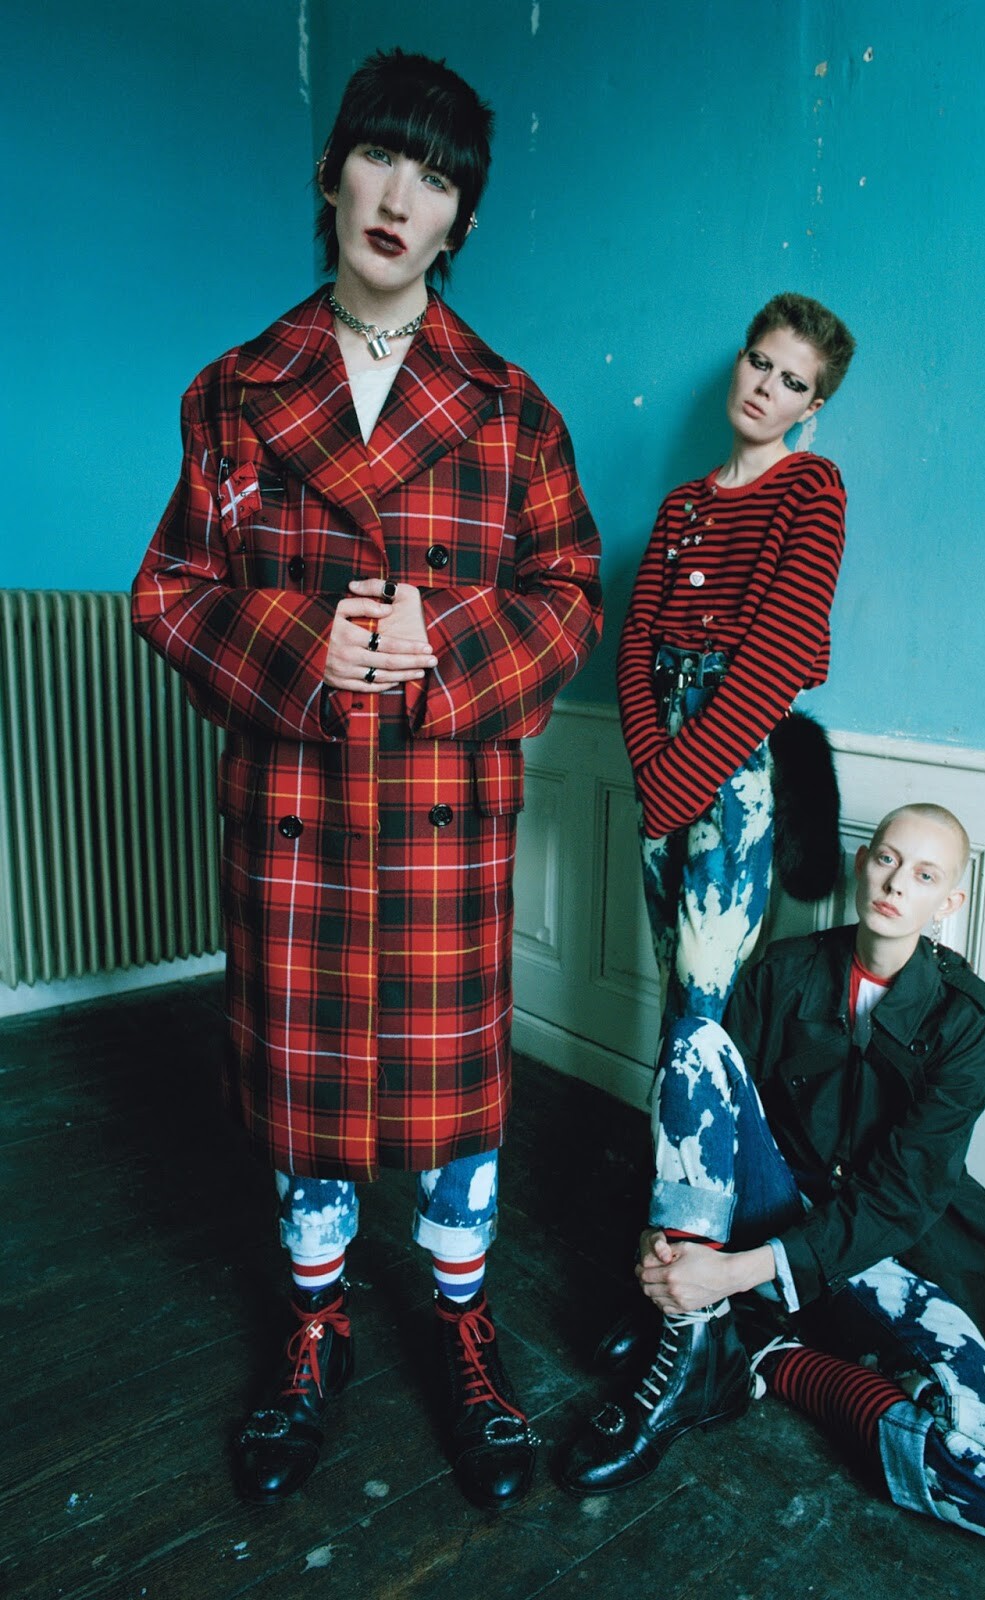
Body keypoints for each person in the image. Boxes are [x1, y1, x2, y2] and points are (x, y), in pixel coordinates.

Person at [132, 49, 601, 1512]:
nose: (400, 195)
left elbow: (570, 597)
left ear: (463, 219)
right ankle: (315, 1328)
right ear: (331, 174)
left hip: (446, 820)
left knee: (458, 1110)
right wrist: (302, 643)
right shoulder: (233, 392)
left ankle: (463, 1332)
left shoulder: (513, 408)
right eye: (380, 158)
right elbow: (170, 591)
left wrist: (441, 643)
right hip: (296, 819)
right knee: (308, 1104)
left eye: (436, 176)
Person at [558, 805, 985, 1541]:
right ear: (863, 863)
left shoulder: (966, 1023)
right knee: (696, 1039)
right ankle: (694, 1346)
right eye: (887, 859)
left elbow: (902, 1197)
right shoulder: (786, 971)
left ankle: (762, 1352)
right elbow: (709, 1119)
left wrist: (735, 1273)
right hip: (775, 1202)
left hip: (886, 1247)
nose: (897, 884)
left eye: (925, 875)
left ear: (948, 902)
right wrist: (659, 1229)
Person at [616, 293, 853, 1033]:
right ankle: (674, 1115)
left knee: (705, 986)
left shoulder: (812, 487)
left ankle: (702, 1117)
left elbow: (783, 648)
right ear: (739, 363)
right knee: (670, 970)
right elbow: (636, 639)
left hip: (737, 744)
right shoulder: (681, 505)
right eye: (759, 362)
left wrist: (680, 780)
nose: (765, 386)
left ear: (811, 406)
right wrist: (654, 768)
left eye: (792, 380)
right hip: (660, 744)